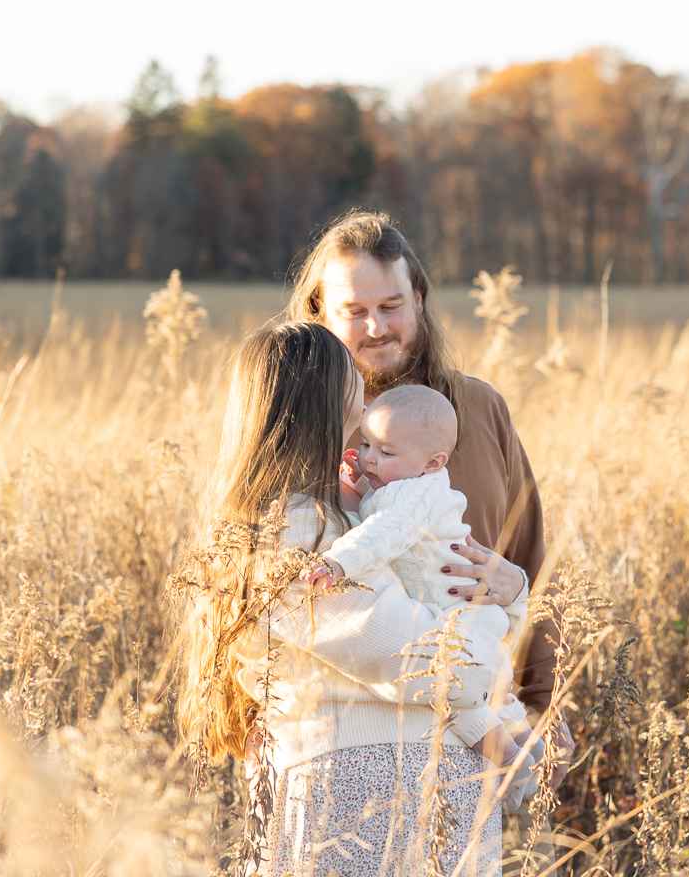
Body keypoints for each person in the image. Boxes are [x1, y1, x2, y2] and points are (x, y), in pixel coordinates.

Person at [174, 321, 505, 875]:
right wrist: (490, 653)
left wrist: (508, 586)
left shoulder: (339, 512)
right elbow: (445, 667)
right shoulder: (291, 532)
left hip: (381, 783)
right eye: (351, 372)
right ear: (325, 396)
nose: (366, 380)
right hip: (368, 787)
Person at [283, 211, 574, 779]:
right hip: (352, 754)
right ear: (319, 313)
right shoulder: (298, 431)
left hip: (494, 730)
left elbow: (535, 558)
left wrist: (547, 703)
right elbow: (257, 583)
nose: (376, 328)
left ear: (418, 297)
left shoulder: (481, 410)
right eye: (354, 311)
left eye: (391, 306)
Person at [305, 384, 543, 807]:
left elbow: (386, 532)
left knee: (461, 693)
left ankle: (512, 760)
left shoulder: (417, 495)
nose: (369, 458)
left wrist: (339, 562)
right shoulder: (407, 485)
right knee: (480, 689)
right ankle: (519, 744)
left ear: (433, 462)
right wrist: (362, 488)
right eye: (365, 443)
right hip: (455, 603)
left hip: (458, 607)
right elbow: (386, 509)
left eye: (386, 452)